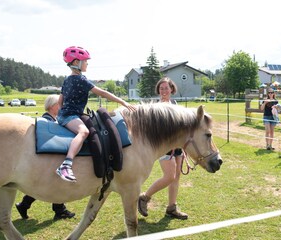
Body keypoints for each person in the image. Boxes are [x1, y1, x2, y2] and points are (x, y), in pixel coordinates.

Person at [56, 46, 136, 182]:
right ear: (76, 63)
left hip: (64, 114)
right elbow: (103, 93)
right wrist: (122, 101)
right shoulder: (81, 80)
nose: (87, 63)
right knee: (84, 132)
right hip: (70, 116)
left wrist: (62, 114)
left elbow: (60, 101)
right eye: (85, 61)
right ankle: (66, 165)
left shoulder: (67, 80)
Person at [15, 95, 76, 220]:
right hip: (46, 158)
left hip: (48, 158)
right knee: (54, 183)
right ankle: (59, 211)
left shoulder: (52, 119)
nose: (62, 107)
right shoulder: (47, 121)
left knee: (45, 184)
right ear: (53, 106)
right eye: (60, 104)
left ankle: (24, 205)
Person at [138, 77, 188, 220]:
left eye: (166, 88)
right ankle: (144, 197)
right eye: (161, 88)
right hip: (164, 147)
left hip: (177, 146)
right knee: (169, 176)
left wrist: (182, 147)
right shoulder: (157, 107)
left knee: (176, 177)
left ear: (172, 89)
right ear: (158, 91)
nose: (164, 91)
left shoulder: (175, 104)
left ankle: (171, 208)